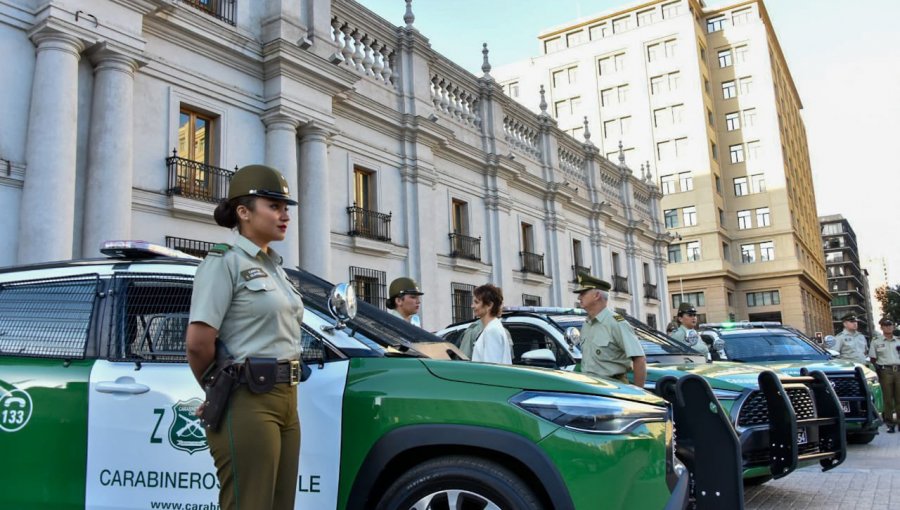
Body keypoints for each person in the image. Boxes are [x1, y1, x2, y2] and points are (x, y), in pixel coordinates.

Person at [185, 164, 304, 510]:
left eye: (286, 208)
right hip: (247, 398)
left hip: (287, 400)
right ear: (243, 212)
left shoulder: (275, 268)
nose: (284, 216)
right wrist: (216, 388)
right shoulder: (224, 263)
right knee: (249, 504)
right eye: (274, 206)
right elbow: (198, 342)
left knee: (281, 505)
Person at [574, 272, 646, 386]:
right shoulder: (587, 324)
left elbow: (639, 359)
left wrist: (640, 395)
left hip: (613, 389)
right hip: (589, 388)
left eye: (583, 293)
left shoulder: (616, 323)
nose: (579, 297)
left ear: (596, 295)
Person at [868, 318, 900, 433]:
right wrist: (878, 370)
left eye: (890, 325)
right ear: (881, 327)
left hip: (899, 371)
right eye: (885, 325)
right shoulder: (876, 341)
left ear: (893, 326)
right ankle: (890, 423)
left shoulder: (898, 341)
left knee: (899, 397)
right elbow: (873, 358)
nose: (888, 327)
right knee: (887, 398)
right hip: (885, 371)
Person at [470, 284, 513, 364]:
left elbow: (491, 369)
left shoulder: (492, 330)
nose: (472, 306)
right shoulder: (492, 328)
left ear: (489, 305)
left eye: (476, 302)